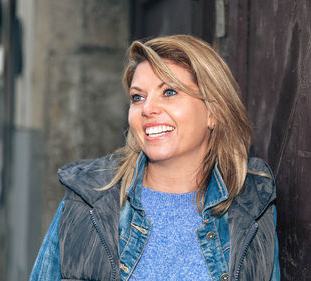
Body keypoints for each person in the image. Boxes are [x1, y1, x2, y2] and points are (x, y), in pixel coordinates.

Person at [29, 35, 280, 281]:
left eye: (169, 92)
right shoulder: (88, 199)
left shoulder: (252, 203)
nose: (147, 109)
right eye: (137, 97)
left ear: (213, 111)